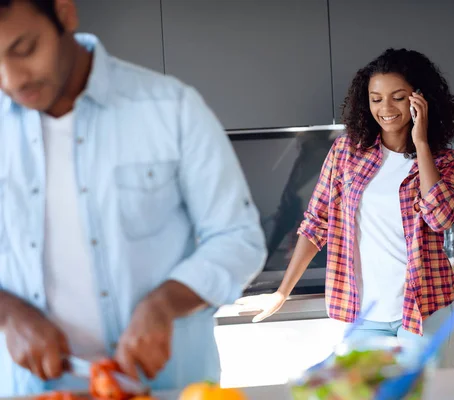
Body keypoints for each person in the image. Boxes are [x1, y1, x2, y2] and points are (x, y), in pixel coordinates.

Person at [0, 0, 266, 396]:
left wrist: (163, 304)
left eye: (25, 49)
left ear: (64, 13)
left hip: (168, 386)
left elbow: (238, 239)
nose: (12, 78)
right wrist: (9, 315)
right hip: (33, 389)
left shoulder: (170, 109)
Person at [238, 48, 454, 368]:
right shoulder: (347, 152)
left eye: (398, 97)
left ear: (419, 100)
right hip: (366, 315)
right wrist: (281, 292)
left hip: (428, 312)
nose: (385, 108)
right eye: (376, 98)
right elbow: (316, 222)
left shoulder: (445, 161)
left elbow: (441, 219)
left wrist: (422, 143)